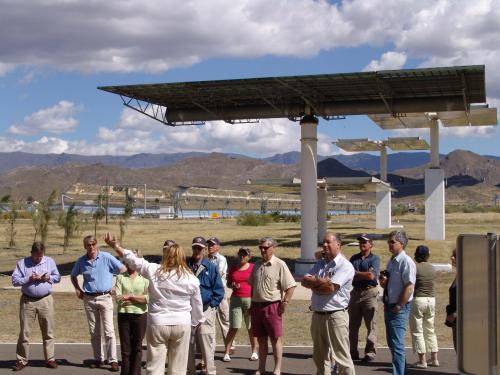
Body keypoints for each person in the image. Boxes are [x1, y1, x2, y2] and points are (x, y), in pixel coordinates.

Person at [104, 234, 204, 375]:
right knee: (178, 369)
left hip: (158, 322)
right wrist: (195, 322)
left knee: (154, 366)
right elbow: (197, 305)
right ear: (182, 257)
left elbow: (133, 260)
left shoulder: (154, 270)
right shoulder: (191, 278)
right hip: (182, 323)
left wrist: (115, 246)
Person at [302, 232, 355, 375]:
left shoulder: (345, 266)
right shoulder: (320, 264)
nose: (324, 245)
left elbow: (330, 288)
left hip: (335, 316)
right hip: (318, 315)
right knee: (320, 358)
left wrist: (316, 283)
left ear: (338, 244)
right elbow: (304, 281)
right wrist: (321, 281)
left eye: (328, 242)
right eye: (323, 243)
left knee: (342, 358)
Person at [71, 235, 126, 372]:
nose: (91, 247)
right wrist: (78, 289)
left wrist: (116, 287)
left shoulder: (106, 257)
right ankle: (99, 359)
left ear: (97, 245)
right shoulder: (81, 261)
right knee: (94, 332)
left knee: (109, 331)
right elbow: (73, 275)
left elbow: (123, 269)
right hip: (89, 299)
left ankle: (113, 360)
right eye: (88, 245)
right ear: (85, 246)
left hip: (105, 297)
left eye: (93, 244)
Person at [249, 237, 296, 375]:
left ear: (272, 248)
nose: (263, 250)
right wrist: (251, 303)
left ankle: (277, 369)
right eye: (261, 248)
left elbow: (291, 286)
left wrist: (285, 302)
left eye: (265, 247)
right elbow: (253, 286)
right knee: (261, 340)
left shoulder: (280, 264)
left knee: (275, 339)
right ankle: (261, 368)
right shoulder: (256, 264)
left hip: (273, 306)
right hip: (257, 307)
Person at [11, 242, 61, 371]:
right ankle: (21, 360)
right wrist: (28, 278)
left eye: (41, 256)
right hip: (28, 301)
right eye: (36, 256)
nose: (39, 258)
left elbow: (58, 277)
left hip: (46, 300)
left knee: (48, 331)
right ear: (31, 253)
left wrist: (48, 277)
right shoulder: (22, 263)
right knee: (24, 332)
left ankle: (50, 359)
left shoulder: (49, 261)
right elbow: (15, 281)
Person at [379, 230, 416, 375]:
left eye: (392, 242)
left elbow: (409, 286)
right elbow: (391, 284)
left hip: (398, 307)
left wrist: (399, 305)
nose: (389, 244)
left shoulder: (406, 262)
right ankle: (401, 371)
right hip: (389, 305)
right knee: (392, 343)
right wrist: (384, 283)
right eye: (389, 242)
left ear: (402, 244)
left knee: (397, 344)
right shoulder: (392, 261)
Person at [187, 236, 224, 375]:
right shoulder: (185, 265)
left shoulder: (211, 267)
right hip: (188, 311)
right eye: (195, 247)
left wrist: (212, 306)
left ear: (204, 249)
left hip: (206, 309)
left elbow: (219, 290)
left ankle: (210, 371)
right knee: (188, 344)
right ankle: (190, 371)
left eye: (200, 248)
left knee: (206, 342)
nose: (197, 250)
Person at [114, 249, 149, 375]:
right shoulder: (120, 277)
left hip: (140, 316)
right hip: (124, 315)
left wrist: (129, 297)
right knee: (125, 349)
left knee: (137, 347)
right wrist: (138, 298)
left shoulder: (145, 278)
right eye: (129, 260)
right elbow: (118, 298)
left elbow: (147, 298)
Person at [222, 247, 258, 362]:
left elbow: (257, 282)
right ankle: (226, 352)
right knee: (234, 327)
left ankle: (254, 352)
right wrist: (232, 285)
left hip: (250, 300)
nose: (242, 256)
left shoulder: (253, 268)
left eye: (245, 255)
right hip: (236, 300)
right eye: (241, 254)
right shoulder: (233, 269)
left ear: (249, 257)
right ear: (238, 255)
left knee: (251, 328)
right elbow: (228, 284)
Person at [348, 234, 380, 362]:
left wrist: (357, 273)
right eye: (360, 242)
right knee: (353, 325)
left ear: (370, 245)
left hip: (369, 293)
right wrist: (363, 274)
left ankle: (370, 352)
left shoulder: (375, 259)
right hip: (355, 293)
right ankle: (352, 352)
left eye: (365, 242)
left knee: (371, 324)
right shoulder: (353, 258)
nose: (362, 244)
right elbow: (349, 275)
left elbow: (371, 276)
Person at [409, 245, 439, 368]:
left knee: (418, 330)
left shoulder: (415, 268)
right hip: (431, 299)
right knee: (430, 329)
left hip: (418, 299)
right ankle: (434, 358)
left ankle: (422, 360)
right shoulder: (432, 268)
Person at [206, 237, 232, 353]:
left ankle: (230, 345)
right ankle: (211, 347)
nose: (209, 246)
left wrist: (207, 276)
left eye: (212, 244)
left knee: (225, 318)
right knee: (210, 320)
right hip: (209, 292)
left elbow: (218, 273)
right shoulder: (205, 259)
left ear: (218, 247)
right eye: (208, 245)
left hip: (220, 291)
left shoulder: (221, 259)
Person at [445, 248, 457, 351]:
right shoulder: (459, 274)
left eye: (455, 256)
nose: (452, 257)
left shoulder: (466, 276)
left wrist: (455, 314)